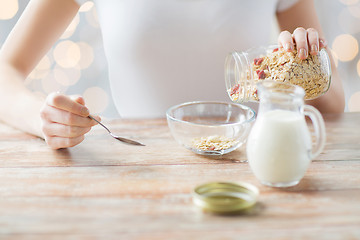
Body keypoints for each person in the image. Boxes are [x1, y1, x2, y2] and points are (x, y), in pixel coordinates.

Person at [0, 0, 345, 149]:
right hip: (137, 170)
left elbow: (333, 106)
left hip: (251, 166)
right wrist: (42, 119)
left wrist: (304, 69)